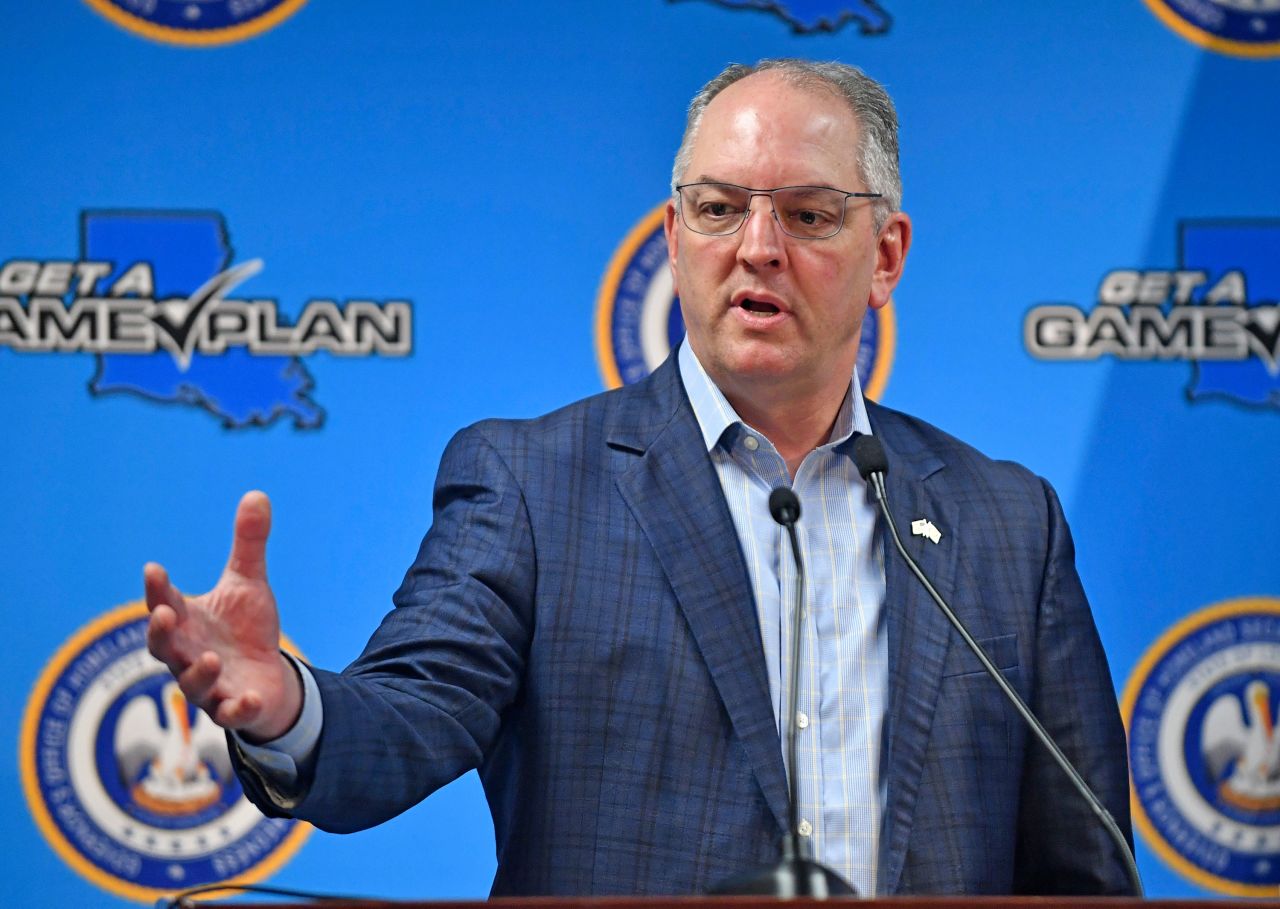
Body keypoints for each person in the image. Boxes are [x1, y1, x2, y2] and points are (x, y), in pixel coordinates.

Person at [144, 58, 1133, 896]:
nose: (756, 247)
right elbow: (405, 723)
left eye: (807, 214)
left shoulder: (1005, 522)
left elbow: (1083, 863)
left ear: (884, 255)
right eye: (717, 209)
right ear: (672, 238)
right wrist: (284, 704)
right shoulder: (533, 484)